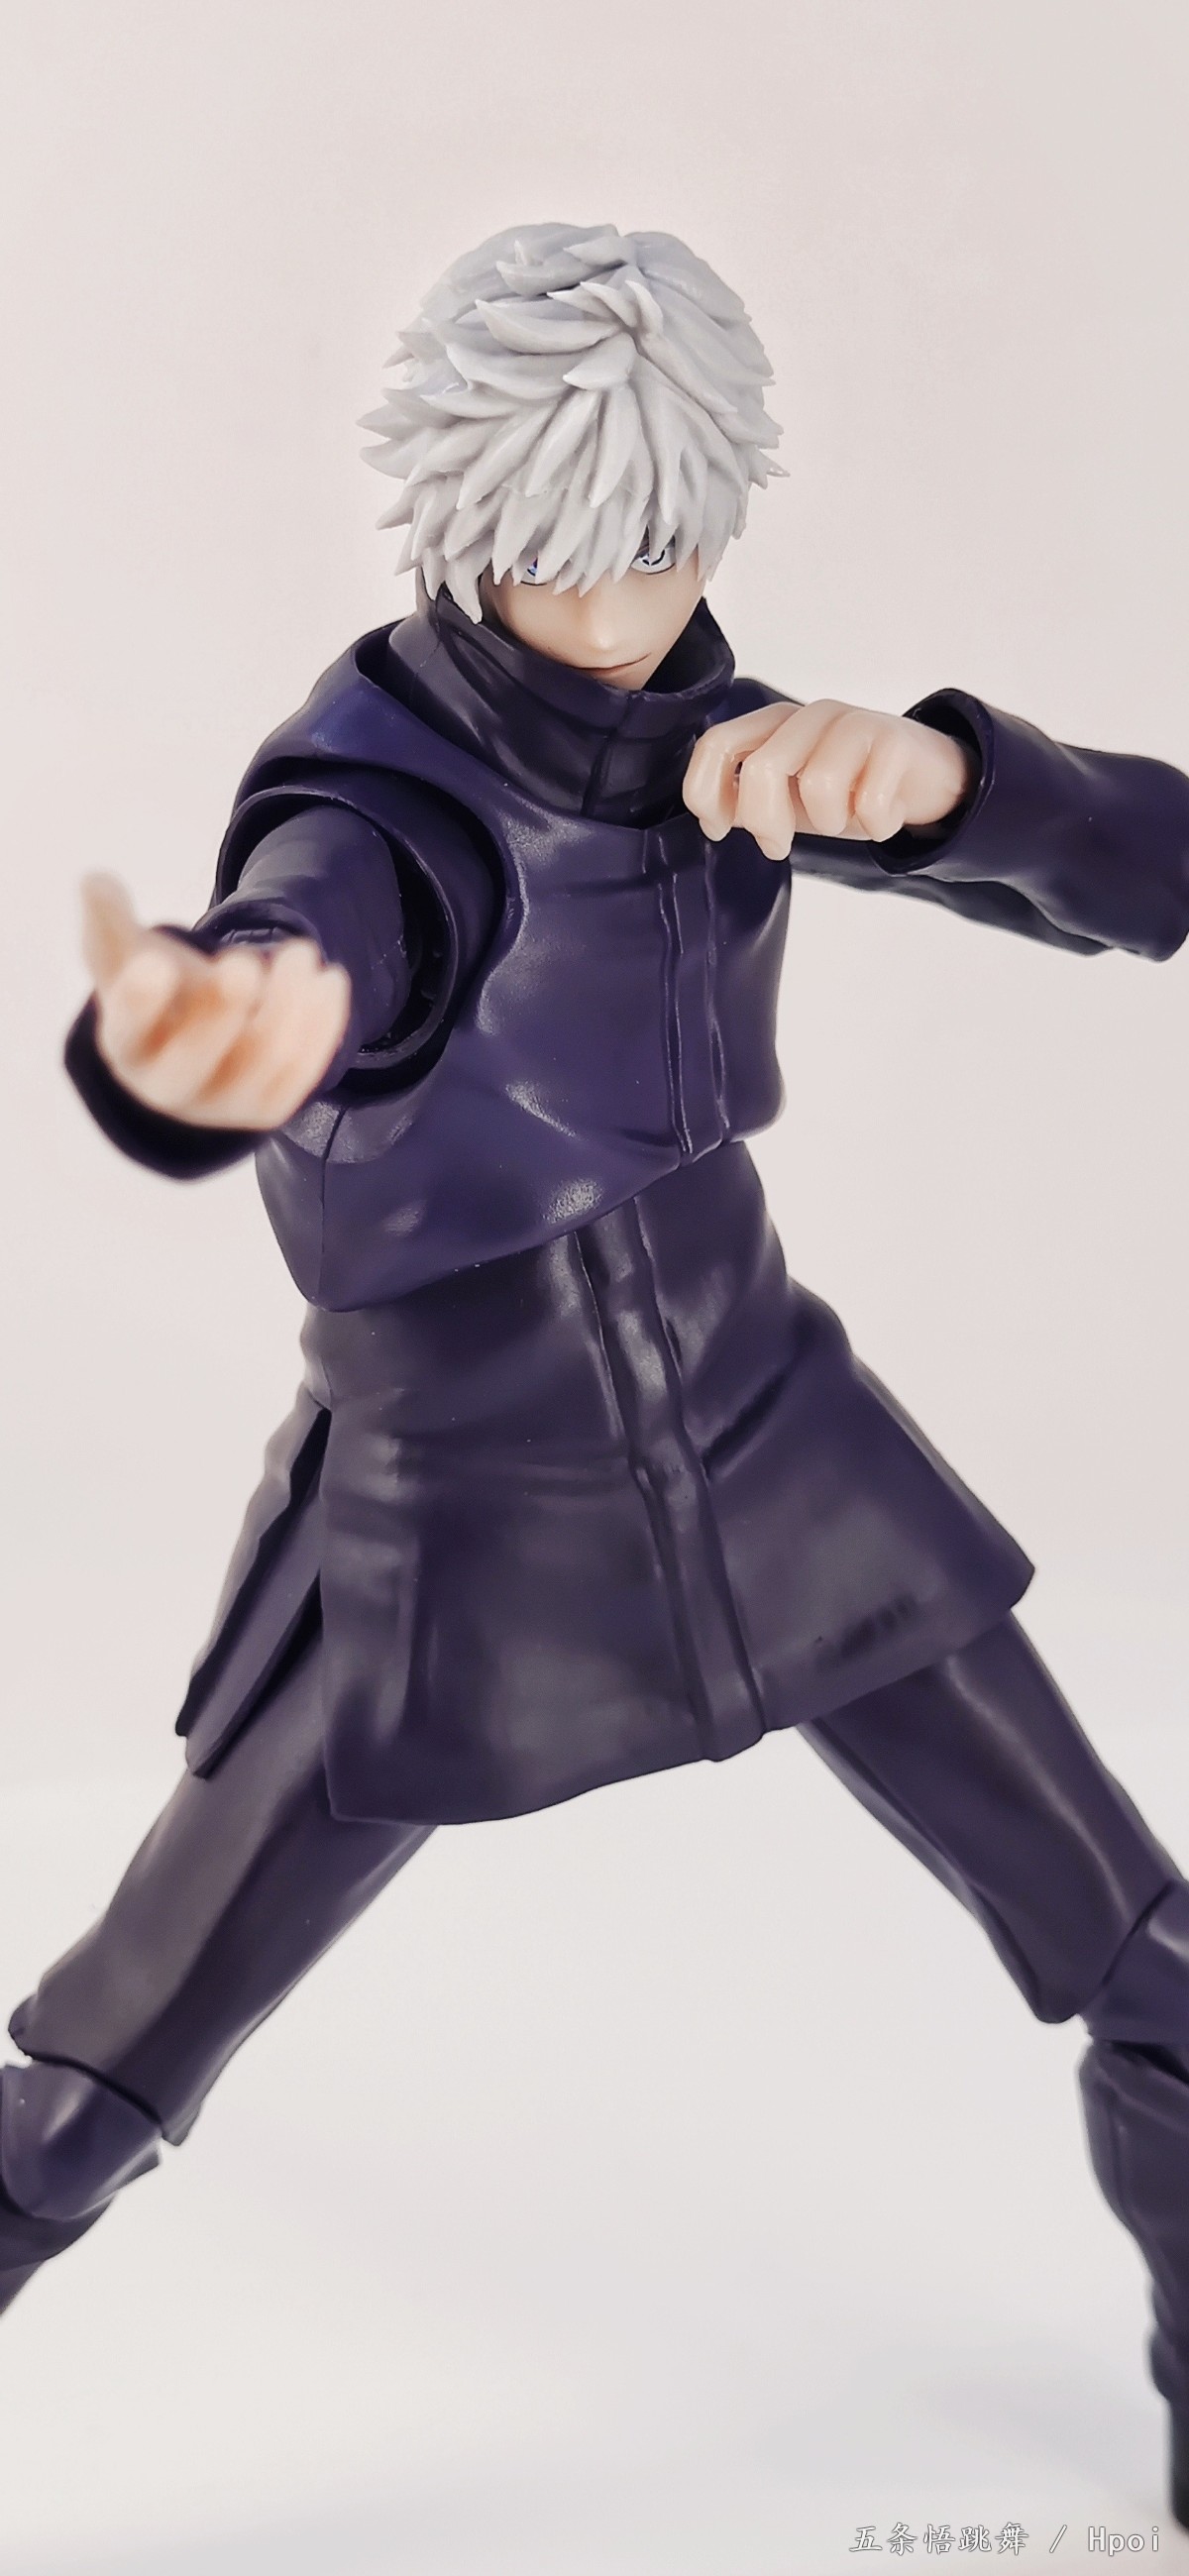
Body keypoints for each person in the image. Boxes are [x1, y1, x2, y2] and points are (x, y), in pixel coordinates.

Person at [5, 220, 1189, 2520]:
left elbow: (1153, 874)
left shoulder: (730, 745)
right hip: (451, 1531)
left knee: (1149, 1954)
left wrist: (949, 782)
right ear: (470, 521)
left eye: (659, 535)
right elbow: (301, 940)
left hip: (781, 1450)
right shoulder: (375, 805)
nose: (618, 599)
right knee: (98, 2080)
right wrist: (215, 1040)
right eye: (563, 545)